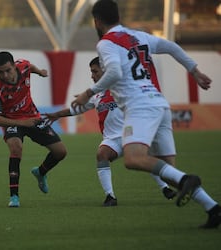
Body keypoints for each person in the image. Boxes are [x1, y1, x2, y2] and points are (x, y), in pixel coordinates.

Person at [71, 0, 220, 228]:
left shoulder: (106, 43)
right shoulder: (138, 36)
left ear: (97, 21)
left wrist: (88, 92)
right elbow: (171, 46)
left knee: (134, 159)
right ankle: (214, 209)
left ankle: (188, 180)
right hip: (159, 104)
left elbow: (114, 71)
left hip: (140, 106)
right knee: (169, 171)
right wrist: (194, 70)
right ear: (118, 16)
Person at [45, 57, 176, 206]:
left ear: (105, 71)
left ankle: (166, 188)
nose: (92, 75)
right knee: (102, 154)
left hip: (131, 133)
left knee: (145, 158)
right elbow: (76, 110)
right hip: (113, 139)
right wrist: (56, 115)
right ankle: (110, 197)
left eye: (94, 71)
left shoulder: (123, 87)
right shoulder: (96, 95)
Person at [0, 51, 67, 208]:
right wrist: (24, 123)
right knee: (16, 148)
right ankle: (14, 197)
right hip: (12, 121)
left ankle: (40, 172)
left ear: (14, 66)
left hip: (32, 115)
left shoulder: (23, 66)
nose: (5, 75)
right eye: (0, 71)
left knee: (60, 152)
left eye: (8, 70)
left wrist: (40, 72)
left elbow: (29, 67)